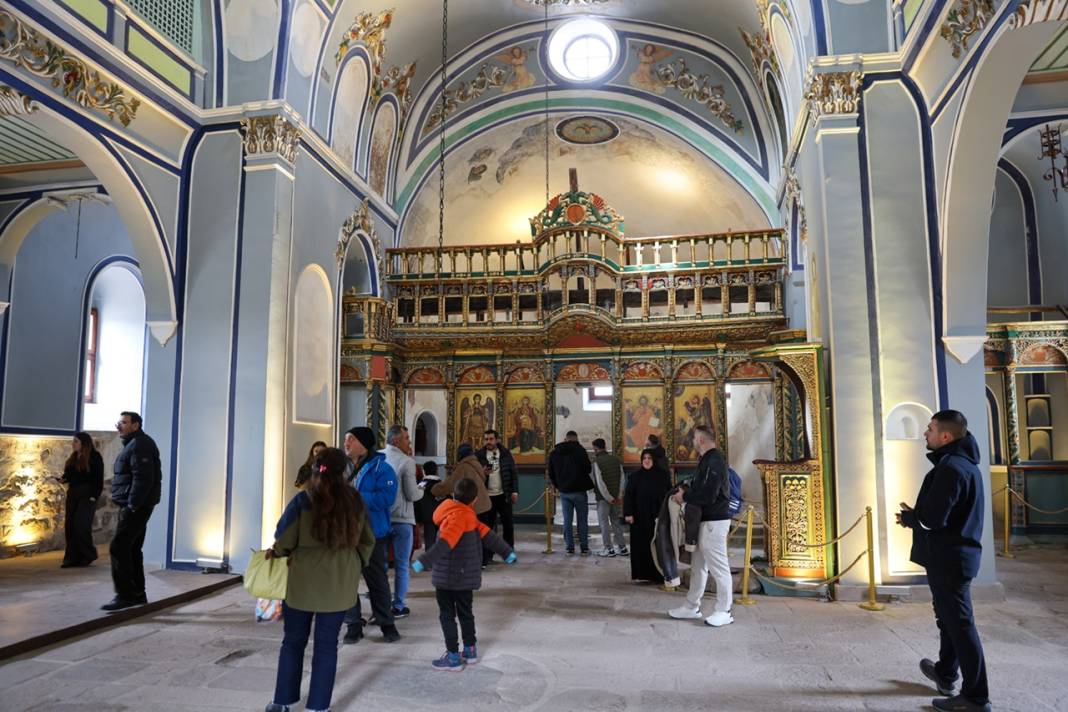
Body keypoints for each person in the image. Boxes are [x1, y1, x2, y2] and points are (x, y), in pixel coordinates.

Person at [264, 447, 376, 712]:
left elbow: (284, 538)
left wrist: (279, 552)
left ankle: (283, 701)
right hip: (339, 582)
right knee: (327, 646)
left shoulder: (303, 501)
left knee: (293, 641)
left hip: (302, 581)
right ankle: (318, 706)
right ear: (345, 472)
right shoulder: (355, 501)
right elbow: (367, 541)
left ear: (315, 470)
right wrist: (356, 563)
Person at [896, 410, 990, 712]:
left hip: (950, 559)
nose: (926, 433)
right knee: (949, 620)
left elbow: (935, 519)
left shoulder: (951, 468)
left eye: (930, 429)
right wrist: (918, 517)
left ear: (945, 436)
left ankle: (975, 697)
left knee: (961, 626)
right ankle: (946, 673)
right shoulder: (962, 464)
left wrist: (913, 518)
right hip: (953, 556)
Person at [412, 477, 516, 671]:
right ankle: (469, 650)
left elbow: (445, 543)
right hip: (465, 577)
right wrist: (507, 552)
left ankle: (452, 658)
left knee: (447, 615)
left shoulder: (455, 516)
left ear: (453, 495)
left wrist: (425, 560)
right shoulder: (469, 517)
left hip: (446, 578)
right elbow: (490, 536)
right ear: (474, 500)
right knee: (466, 613)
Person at [667, 425, 733, 627]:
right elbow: (702, 488)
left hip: (715, 521)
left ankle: (724, 610)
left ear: (701, 440)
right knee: (698, 567)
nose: (692, 442)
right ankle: (691, 606)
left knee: (719, 568)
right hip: (705, 520)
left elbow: (708, 494)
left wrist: (684, 496)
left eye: (694, 438)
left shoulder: (714, 460)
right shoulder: (707, 460)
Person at [342, 426, 400, 644]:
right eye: (345, 440)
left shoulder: (382, 469)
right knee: (347, 581)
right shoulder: (343, 468)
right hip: (346, 534)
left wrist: (354, 495)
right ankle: (353, 624)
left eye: (351, 439)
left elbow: (386, 499)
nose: (345, 443)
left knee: (377, 582)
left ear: (363, 444)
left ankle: (387, 624)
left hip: (373, 533)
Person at [102, 411, 162, 611]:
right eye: (119, 422)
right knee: (132, 549)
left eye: (124, 422)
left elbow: (143, 478)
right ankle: (137, 594)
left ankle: (126, 595)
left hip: (136, 506)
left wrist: (132, 505)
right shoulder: (134, 444)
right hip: (135, 504)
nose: (119, 426)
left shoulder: (140, 444)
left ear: (135, 425)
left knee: (118, 547)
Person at [383, 425, 421, 619]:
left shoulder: (378, 456)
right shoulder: (406, 462)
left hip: (381, 518)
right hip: (402, 519)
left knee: (379, 564)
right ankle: (398, 605)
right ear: (396, 440)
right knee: (401, 566)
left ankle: (380, 603)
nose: (409, 442)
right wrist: (422, 488)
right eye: (406, 438)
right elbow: (412, 494)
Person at [623, 449, 672, 583]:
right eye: (644, 458)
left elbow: (669, 496)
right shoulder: (635, 476)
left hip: (658, 517)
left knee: (658, 546)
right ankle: (643, 573)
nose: (646, 460)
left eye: (649, 458)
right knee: (642, 546)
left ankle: (659, 574)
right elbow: (628, 496)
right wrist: (628, 513)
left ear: (654, 460)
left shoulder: (663, 476)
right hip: (640, 518)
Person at [61, 432, 104, 568]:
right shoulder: (73, 458)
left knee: (81, 525)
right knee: (69, 525)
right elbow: (69, 475)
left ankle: (88, 554)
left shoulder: (95, 457)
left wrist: (94, 496)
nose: (73, 444)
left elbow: (98, 479)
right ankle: (71, 557)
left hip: (87, 495)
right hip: (73, 494)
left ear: (84, 443)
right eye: (73, 441)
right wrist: (63, 479)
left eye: (76, 441)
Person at [547, 431, 594, 555]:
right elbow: (588, 469)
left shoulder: (555, 452)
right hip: (579, 491)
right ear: (576, 439)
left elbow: (551, 472)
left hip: (564, 491)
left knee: (567, 520)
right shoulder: (580, 451)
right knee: (582, 520)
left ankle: (570, 548)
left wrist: (558, 485)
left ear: (565, 439)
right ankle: (584, 548)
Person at [476, 429, 518, 565]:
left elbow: (513, 473)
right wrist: (483, 473)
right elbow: (475, 477)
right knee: (487, 527)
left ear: (497, 440)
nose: (488, 442)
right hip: (487, 496)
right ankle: (487, 555)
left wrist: (514, 491)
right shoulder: (479, 455)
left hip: (503, 495)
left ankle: (509, 554)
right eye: (486, 439)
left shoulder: (505, 453)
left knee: (508, 525)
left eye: (491, 439)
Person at [591, 438, 628, 558]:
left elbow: (599, 482)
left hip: (604, 498)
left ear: (596, 448)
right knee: (616, 522)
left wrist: (608, 497)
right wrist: (618, 496)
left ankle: (609, 549)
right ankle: (622, 548)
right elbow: (622, 478)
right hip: (616, 497)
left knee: (604, 523)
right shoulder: (616, 459)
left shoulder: (597, 462)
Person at [432, 444, 491, 515]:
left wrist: (434, 489)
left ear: (460, 455)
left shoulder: (463, 467)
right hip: (484, 504)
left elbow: (449, 485)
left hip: (475, 508)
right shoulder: (476, 463)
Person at [416, 460, 445, 549]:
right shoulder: (441, 485)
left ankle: (429, 560)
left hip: (426, 517)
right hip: (440, 517)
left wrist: (417, 517)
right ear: (436, 470)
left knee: (429, 541)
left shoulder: (421, 485)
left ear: (424, 471)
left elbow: (416, 499)